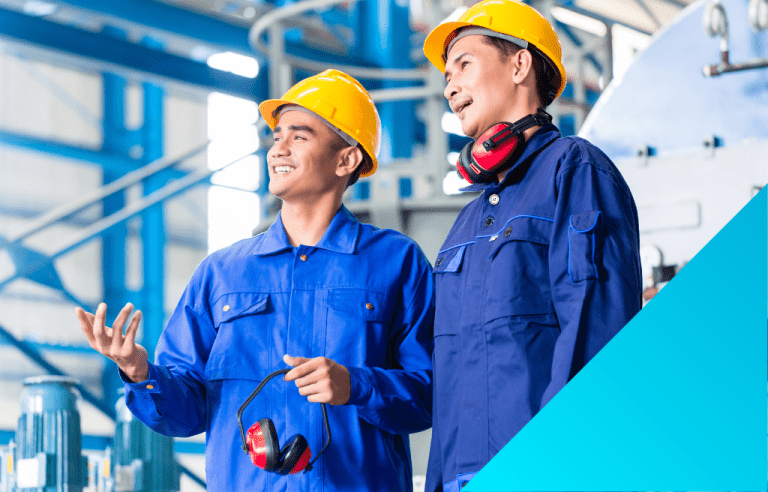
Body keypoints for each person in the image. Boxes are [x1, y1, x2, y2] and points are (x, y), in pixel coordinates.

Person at [76, 69, 435, 492]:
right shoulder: (221, 273)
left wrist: (355, 385)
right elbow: (186, 414)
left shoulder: (396, 261)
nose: (277, 148)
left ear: (346, 159)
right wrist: (138, 372)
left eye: (299, 136)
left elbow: (430, 394)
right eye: (276, 135)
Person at [421, 1, 643, 490]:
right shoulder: (467, 223)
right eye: (445, 75)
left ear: (519, 64)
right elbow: (452, 378)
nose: (450, 86)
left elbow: (594, 332)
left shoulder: (574, 170)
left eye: (464, 64)